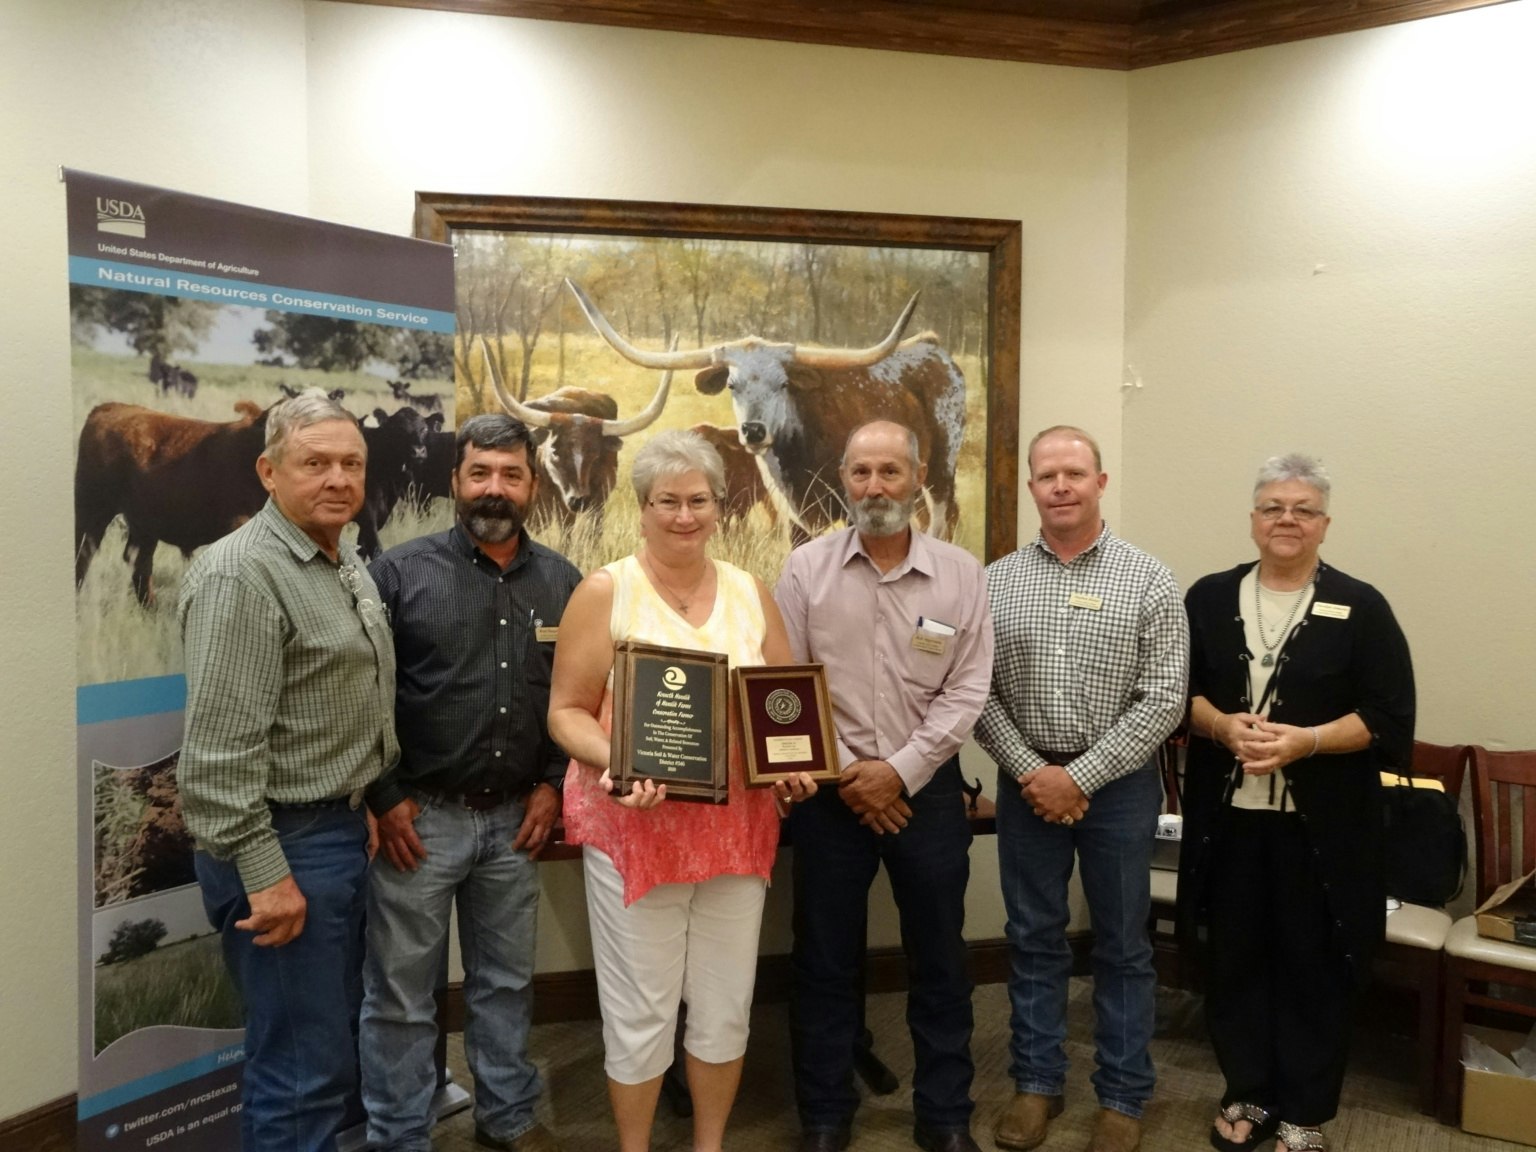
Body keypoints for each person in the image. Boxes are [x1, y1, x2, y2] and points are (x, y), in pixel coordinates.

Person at [547, 428, 818, 1152]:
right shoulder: (605, 590)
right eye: (667, 501)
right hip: (635, 830)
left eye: (698, 500)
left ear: (719, 507)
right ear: (641, 508)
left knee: (726, 1009)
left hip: (737, 834)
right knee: (640, 1012)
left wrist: (791, 766)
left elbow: (781, 707)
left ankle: (708, 1145)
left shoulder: (750, 591)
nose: (684, 515)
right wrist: (620, 760)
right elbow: (566, 713)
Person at [178, 390, 398, 1152]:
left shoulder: (342, 558)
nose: (337, 478)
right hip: (280, 847)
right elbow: (215, 759)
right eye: (315, 464)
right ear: (269, 471)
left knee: (326, 1058)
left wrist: (360, 798)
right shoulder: (242, 575)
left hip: (333, 832)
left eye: (350, 463)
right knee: (299, 1076)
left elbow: (327, 705)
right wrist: (268, 875)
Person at [359, 414, 581, 1152]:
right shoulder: (396, 573)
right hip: (419, 821)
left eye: (510, 475)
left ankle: (508, 1117)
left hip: (518, 820)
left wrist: (553, 784)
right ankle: (398, 1136)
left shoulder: (563, 581)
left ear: (533, 486)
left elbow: (576, 698)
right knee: (400, 997)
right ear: (454, 481)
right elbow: (362, 694)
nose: (495, 488)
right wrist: (384, 795)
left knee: (506, 984)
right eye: (480, 473)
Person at [1180, 454, 1414, 1152]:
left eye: (1302, 509)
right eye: (1273, 507)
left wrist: (1305, 741)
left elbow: (1387, 718)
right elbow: (1175, 693)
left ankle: (1306, 1112)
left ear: (1324, 524)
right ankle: (1248, 1092)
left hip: (1323, 832)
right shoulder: (1209, 598)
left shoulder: (1361, 606)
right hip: (1231, 826)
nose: (1287, 519)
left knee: (1315, 966)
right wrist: (1221, 725)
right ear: (1253, 520)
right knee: (1237, 960)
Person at [774, 419, 994, 1152]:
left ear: (918, 475)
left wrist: (897, 772)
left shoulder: (962, 574)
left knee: (940, 960)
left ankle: (946, 1115)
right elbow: (786, 690)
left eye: (890, 472)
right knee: (825, 961)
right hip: (830, 799)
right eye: (862, 472)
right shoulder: (805, 570)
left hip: (924, 794)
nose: (876, 487)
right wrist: (850, 777)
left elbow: (967, 691)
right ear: (843, 479)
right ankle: (827, 1114)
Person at [975, 424, 1187, 1152]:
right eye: (1046, 475)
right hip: (1026, 779)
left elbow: (1164, 700)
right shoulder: (995, 581)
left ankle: (1122, 1098)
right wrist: (1036, 774)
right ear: (1031, 488)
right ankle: (1036, 1087)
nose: (1060, 486)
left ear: (1100, 483)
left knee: (1123, 945)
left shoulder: (1149, 578)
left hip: (1122, 787)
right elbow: (976, 692)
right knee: (1033, 940)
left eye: (1074, 473)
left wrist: (1080, 776)